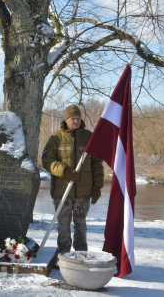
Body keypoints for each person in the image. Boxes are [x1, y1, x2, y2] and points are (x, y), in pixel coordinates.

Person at [42, 104, 104, 254]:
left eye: (78, 118)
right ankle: (63, 253)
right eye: (72, 118)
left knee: (80, 222)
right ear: (66, 120)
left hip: (83, 193)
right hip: (62, 192)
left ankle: (81, 253)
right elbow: (47, 160)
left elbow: (97, 163)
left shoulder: (90, 137)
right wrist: (65, 171)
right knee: (63, 223)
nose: (76, 121)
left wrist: (97, 186)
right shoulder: (56, 138)